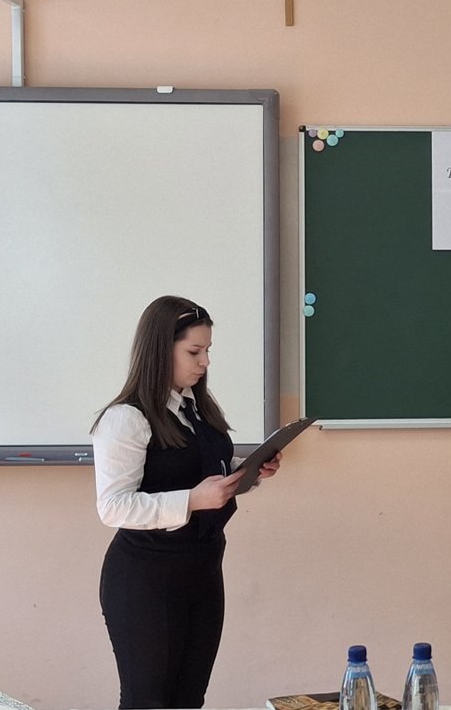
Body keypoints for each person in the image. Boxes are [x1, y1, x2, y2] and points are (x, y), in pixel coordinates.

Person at [90, 296, 282, 709]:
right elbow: (114, 506)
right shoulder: (126, 418)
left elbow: (198, 472)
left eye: (207, 350)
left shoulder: (196, 409)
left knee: (189, 700)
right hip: (146, 579)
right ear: (161, 349)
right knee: (147, 701)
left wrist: (248, 473)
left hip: (202, 572)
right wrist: (193, 500)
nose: (205, 362)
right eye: (194, 351)